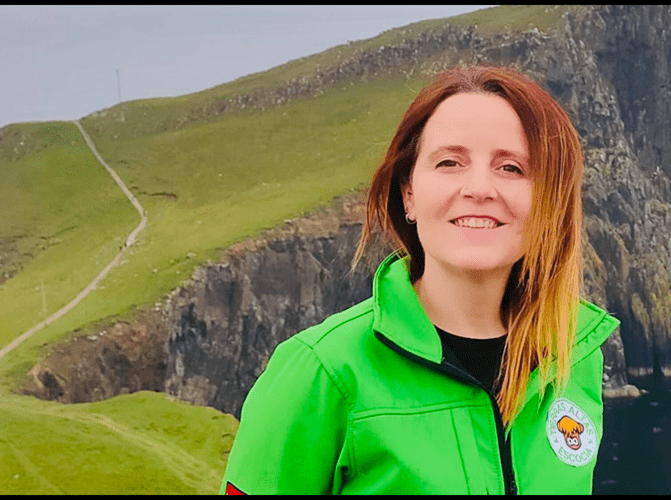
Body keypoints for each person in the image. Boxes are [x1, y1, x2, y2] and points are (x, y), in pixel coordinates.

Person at [219, 65, 619, 495]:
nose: (480, 188)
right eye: (450, 162)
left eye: (512, 168)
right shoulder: (322, 371)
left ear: (550, 200)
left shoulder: (573, 353)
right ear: (409, 192)